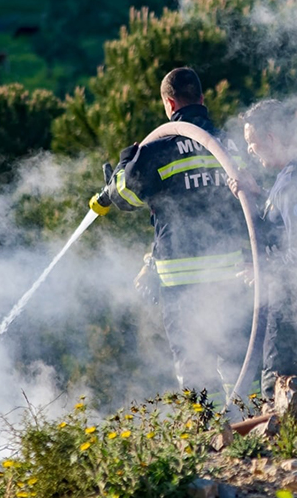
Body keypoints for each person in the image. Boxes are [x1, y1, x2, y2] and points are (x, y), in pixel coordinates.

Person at [103, 67, 249, 392]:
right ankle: (248, 426)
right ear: (201, 98)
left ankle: (205, 435)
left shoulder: (157, 149)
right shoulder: (228, 145)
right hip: (229, 276)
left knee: (194, 364)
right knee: (236, 359)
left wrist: (126, 163)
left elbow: (125, 197)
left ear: (169, 104)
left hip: (181, 283)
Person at [228, 99, 297, 400]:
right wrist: (257, 192)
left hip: (291, 310)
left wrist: (261, 271)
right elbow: (289, 217)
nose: (250, 149)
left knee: (278, 391)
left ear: (272, 138)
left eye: (253, 142)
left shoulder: (295, 182)